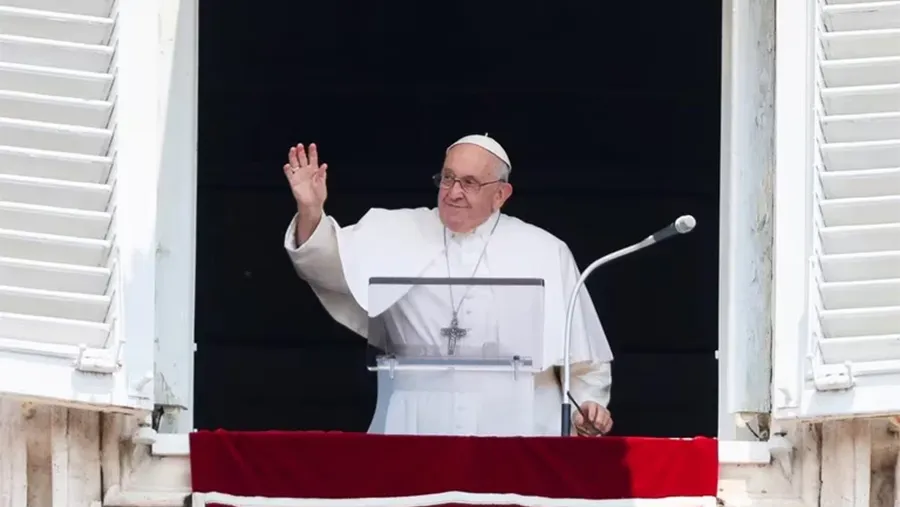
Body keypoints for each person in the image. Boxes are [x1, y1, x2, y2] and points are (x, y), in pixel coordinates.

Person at [282, 135, 614, 436]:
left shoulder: (545, 250)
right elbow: (327, 268)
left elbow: (585, 362)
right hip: (415, 425)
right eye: (448, 178)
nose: (453, 192)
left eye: (469, 183)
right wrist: (310, 211)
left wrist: (587, 408)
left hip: (519, 427)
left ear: (500, 194)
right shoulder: (397, 230)